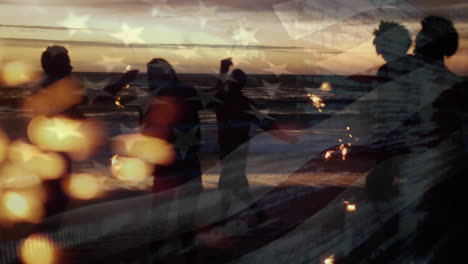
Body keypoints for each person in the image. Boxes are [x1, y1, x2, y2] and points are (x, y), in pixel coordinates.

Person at [213, 58, 296, 224]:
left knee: (227, 183)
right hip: (238, 148)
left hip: (229, 148)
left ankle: (226, 218)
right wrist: (284, 136)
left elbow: (215, 91)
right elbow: (265, 123)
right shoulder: (244, 103)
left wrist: (223, 70)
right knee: (236, 182)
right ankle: (256, 214)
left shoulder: (223, 99)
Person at [139, 58, 203, 261]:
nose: (149, 79)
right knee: (169, 221)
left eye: (153, 75)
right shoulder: (185, 94)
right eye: (148, 75)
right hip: (177, 168)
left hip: (177, 168)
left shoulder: (150, 100)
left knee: (179, 222)